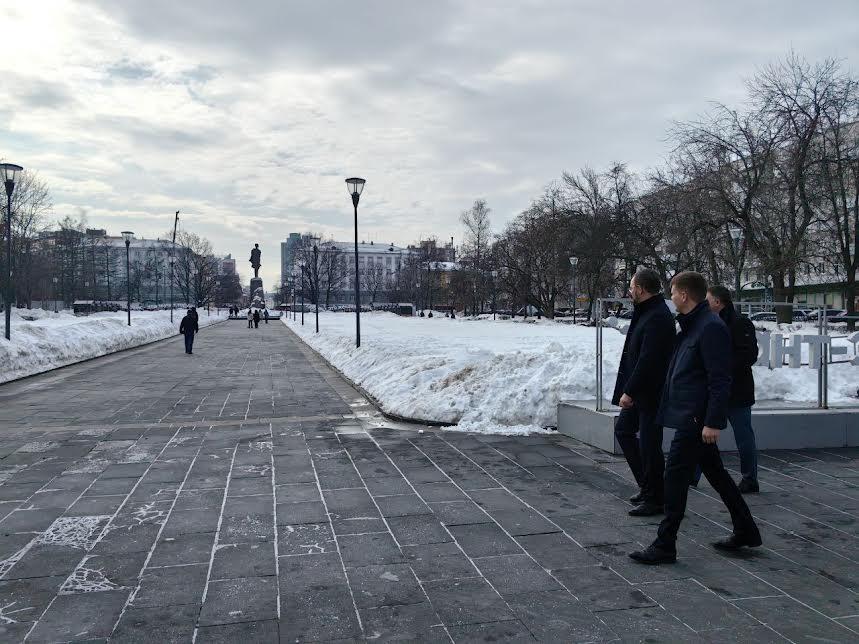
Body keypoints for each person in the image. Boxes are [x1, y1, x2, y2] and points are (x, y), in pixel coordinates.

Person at [629, 272, 761, 565]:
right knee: (716, 473)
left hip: (696, 419)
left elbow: (720, 378)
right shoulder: (692, 326)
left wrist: (713, 421)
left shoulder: (709, 327)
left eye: (674, 292)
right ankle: (746, 529)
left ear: (685, 295)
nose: (671, 297)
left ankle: (665, 544)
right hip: (690, 416)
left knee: (675, 477)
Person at [612, 269, 676, 516]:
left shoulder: (658, 316)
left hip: (650, 392)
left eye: (631, 287)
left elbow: (649, 360)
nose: (629, 291)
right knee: (624, 431)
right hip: (642, 391)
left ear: (640, 288)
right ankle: (647, 486)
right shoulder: (648, 312)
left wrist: (630, 391)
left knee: (650, 445)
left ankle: (655, 497)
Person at [706, 285, 760, 493]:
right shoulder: (710, 322)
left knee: (743, 436)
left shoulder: (740, 323)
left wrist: (720, 367)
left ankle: (750, 478)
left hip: (737, 391)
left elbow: (748, 355)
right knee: (701, 434)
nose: (705, 303)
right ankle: (691, 474)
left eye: (708, 299)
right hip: (716, 389)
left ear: (718, 302)